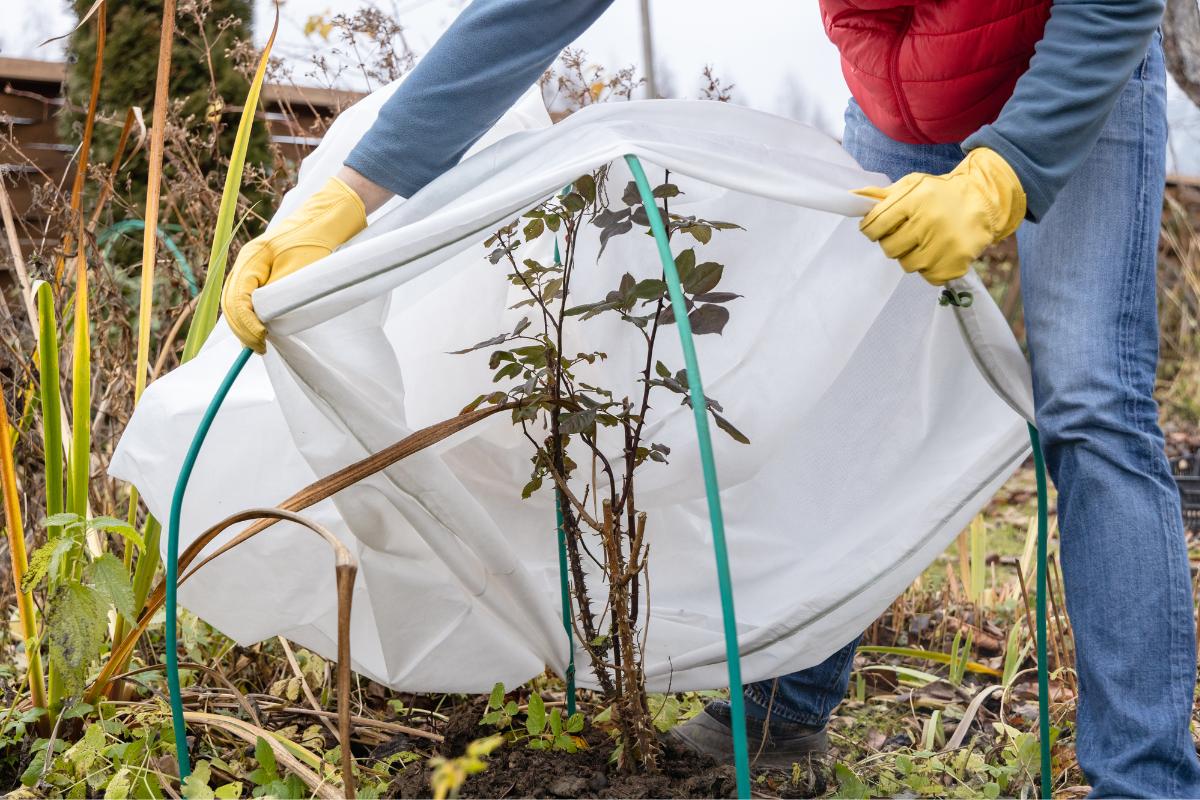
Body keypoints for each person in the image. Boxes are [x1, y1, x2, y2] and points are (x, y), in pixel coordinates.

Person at [221, 2, 1199, 795]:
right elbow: (533, 10)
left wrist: (1006, 172)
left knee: (1092, 408)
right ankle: (778, 714)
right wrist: (351, 194)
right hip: (899, 103)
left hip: (1075, 77)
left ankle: (1145, 775)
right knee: (832, 386)